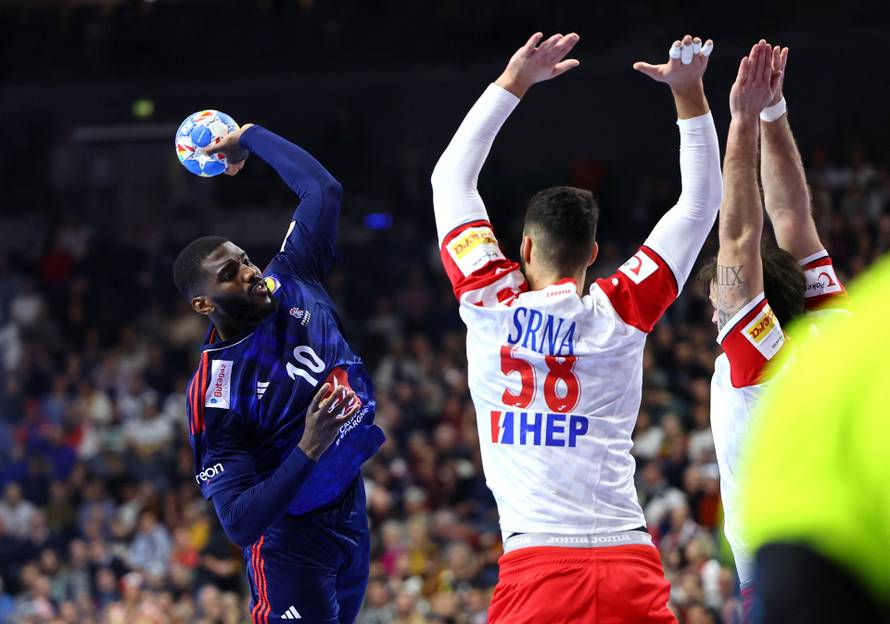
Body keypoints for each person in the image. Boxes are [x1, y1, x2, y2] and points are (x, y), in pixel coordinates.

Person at [430, 32, 722, 622]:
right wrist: (689, 94)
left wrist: (514, 81)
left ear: (525, 246)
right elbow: (700, 203)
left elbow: (450, 181)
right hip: (627, 560)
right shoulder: (620, 310)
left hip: (537, 568)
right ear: (593, 255)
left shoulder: (490, 300)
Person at [172, 122, 385, 623]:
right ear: (204, 304)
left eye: (243, 260)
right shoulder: (214, 393)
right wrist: (309, 445)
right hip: (290, 542)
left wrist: (251, 137)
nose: (249, 272)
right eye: (230, 274)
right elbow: (241, 523)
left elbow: (323, 189)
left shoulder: (291, 276)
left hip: (348, 505)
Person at [698, 40, 847, 621]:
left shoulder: (755, 368)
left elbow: (740, 233)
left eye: (717, 304)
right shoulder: (831, 329)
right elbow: (792, 218)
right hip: (856, 555)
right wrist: (772, 113)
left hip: (783, 578)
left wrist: (740, 120)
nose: (716, 315)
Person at [739, 255, 890, 623]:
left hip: (781, 538)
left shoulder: (760, 355)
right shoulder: (845, 322)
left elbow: (749, 237)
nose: (714, 314)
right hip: (834, 545)